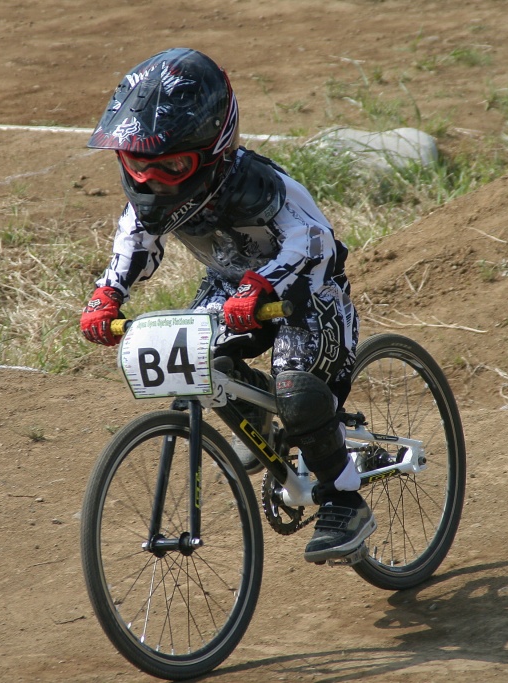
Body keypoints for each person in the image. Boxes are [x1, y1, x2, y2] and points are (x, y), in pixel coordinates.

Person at [79, 47, 375, 564]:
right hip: (234, 287)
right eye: (137, 165)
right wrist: (108, 294)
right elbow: (135, 239)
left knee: (298, 392)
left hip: (304, 292)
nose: (151, 181)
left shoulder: (256, 184)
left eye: (171, 165)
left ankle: (343, 499)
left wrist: (263, 285)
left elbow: (314, 241)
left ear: (212, 148)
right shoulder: (158, 192)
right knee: (203, 365)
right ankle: (260, 425)